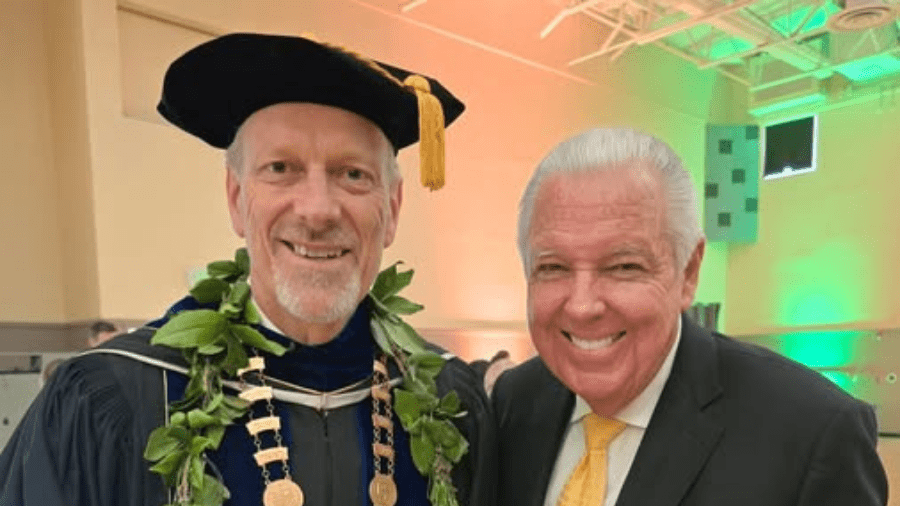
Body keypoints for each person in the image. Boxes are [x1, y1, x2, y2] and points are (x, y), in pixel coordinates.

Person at [0, 33, 495, 506]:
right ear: (237, 200)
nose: (318, 210)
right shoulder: (114, 399)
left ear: (392, 207)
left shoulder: (450, 404)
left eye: (353, 174)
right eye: (281, 168)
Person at [492, 127, 887, 506]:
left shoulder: (812, 434)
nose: (582, 306)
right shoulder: (515, 401)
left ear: (689, 272)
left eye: (624, 267)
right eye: (553, 268)